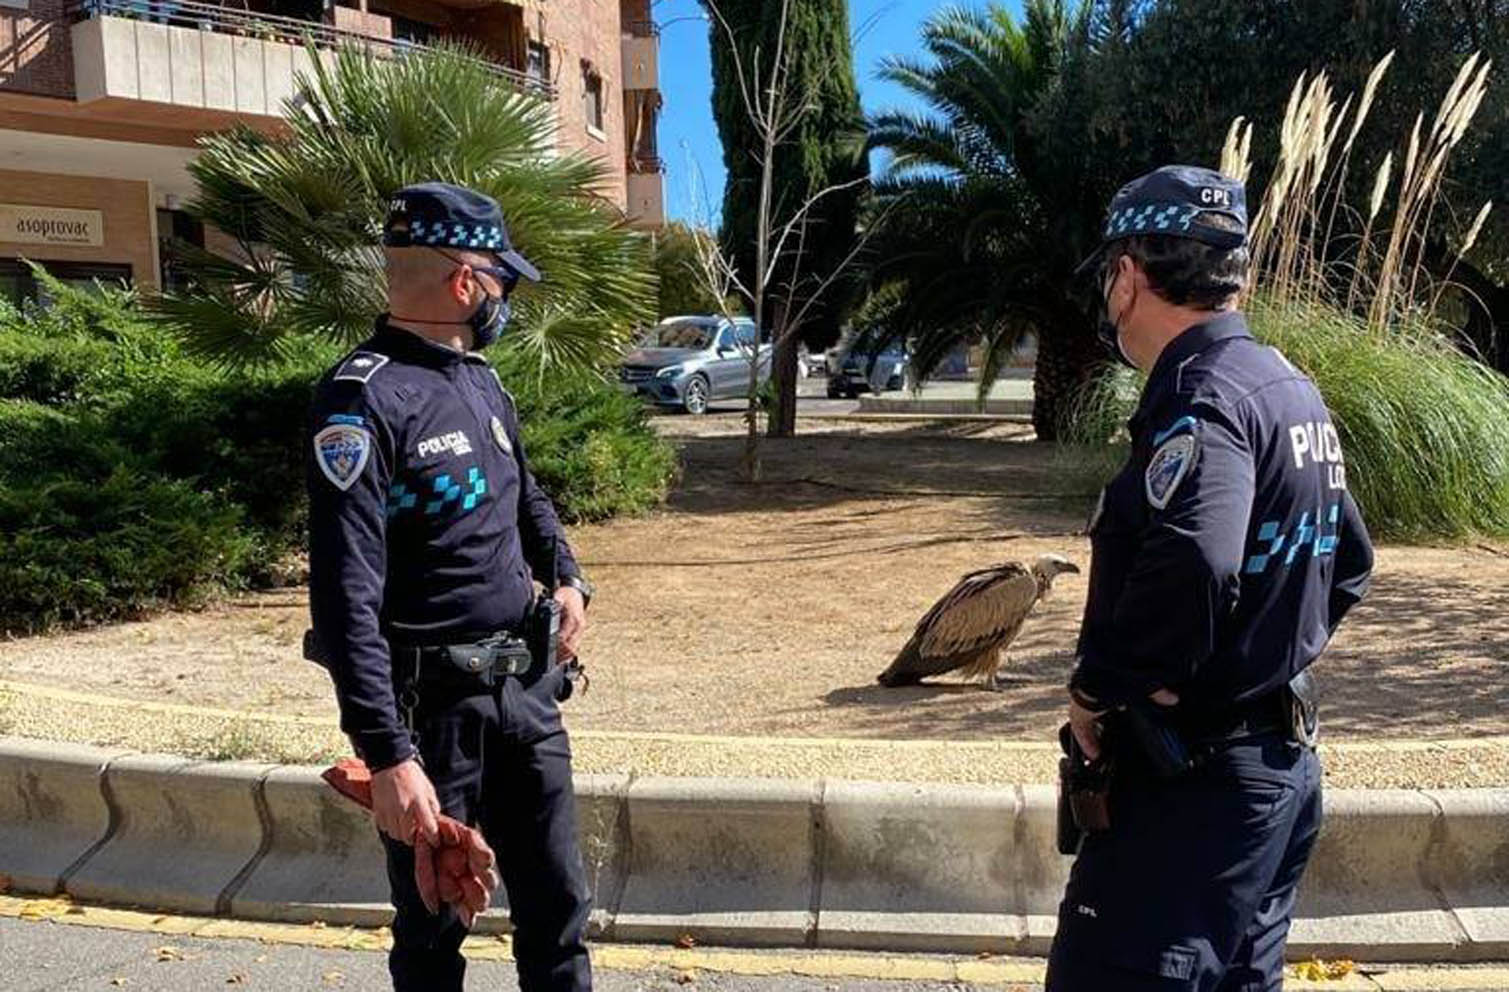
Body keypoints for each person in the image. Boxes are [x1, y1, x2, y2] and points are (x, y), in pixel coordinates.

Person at [1046, 165, 1374, 991]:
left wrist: (1106, 688)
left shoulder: (1200, 395)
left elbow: (1196, 559)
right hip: (1276, 776)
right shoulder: (1285, 386)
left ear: (1125, 278)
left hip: (1194, 789)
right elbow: (1350, 561)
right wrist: (1261, 655)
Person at [305, 182, 596, 992]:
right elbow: (343, 598)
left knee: (559, 915)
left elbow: (525, 497)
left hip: (528, 699)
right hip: (434, 716)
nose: (504, 296)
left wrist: (568, 578)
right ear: (465, 281)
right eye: (500, 278)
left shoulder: (479, 381)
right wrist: (388, 755)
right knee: (435, 929)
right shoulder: (362, 401)